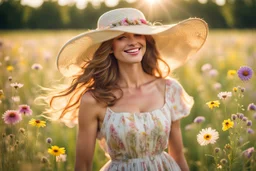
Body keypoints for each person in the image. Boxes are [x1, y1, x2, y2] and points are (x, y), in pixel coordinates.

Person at [52, 8, 208, 171]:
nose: (133, 42)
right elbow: (83, 166)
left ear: (146, 40)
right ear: (110, 47)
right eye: (122, 37)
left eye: (138, 34)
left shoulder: (170, 89)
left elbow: (178, 156)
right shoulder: (94, 100)